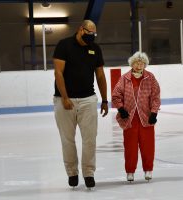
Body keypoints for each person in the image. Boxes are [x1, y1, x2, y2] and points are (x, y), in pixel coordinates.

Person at [53, 20, 108, 188]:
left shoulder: (95, 49)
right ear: (80, 29)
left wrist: (105, 100)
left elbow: (100, 75)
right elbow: (58, 73)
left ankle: (89, 173)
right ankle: (72, 172)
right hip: (64, 100)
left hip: (88, 100)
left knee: (90, 139)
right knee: (67, 139)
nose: (91, 36)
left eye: (94, 34)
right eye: (89, 33)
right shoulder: (64, 45)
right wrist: (65, 97)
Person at [112, 51, 160, 182]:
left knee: (148, 146)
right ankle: (130, 172)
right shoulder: (125, 78)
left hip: (146, 117)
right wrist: (121, 109)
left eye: (142, 63)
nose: (139, 65)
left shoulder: (150, 78)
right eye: (137, 62)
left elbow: (156, 97)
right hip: (129, 118)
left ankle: (148, 170)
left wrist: (154, 112)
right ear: (132, 64)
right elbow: (116, 95)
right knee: (130, 147)